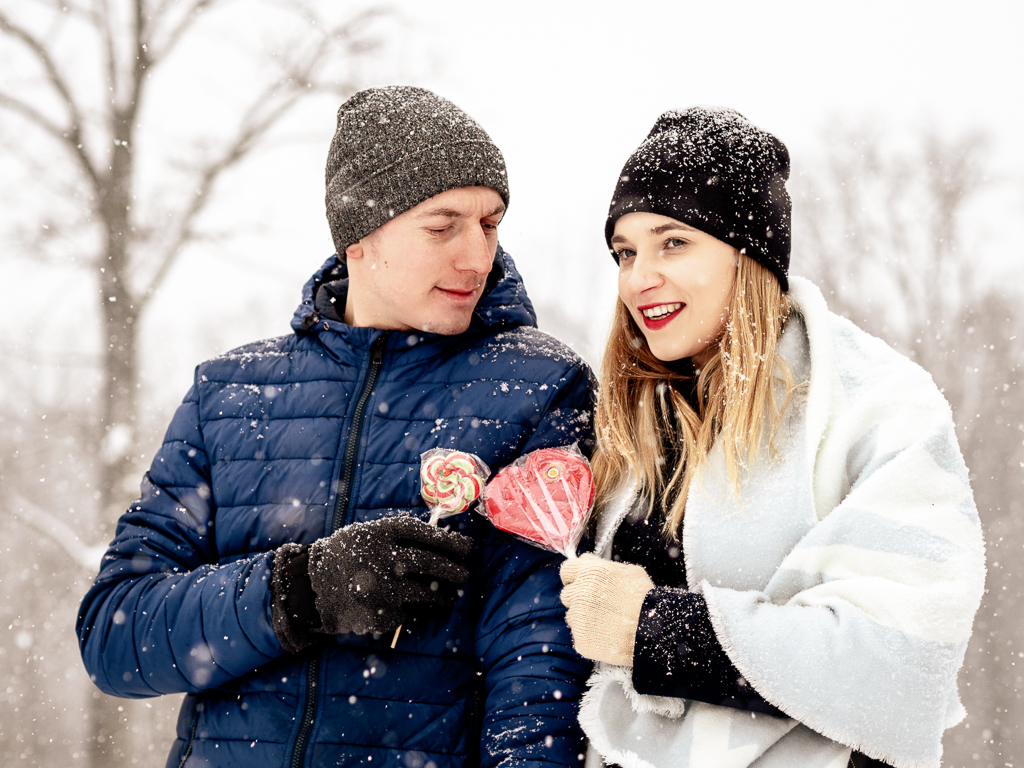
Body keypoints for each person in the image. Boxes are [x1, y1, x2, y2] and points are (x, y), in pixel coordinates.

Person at [77, 86, 596, 768]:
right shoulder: (231, 395)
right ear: (359, 234)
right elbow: (115, 638)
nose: (478, 257)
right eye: (443, 227)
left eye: (491, 223)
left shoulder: (537, 388)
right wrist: (302, 592)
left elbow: (537, 656)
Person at [558, 107, 985, 768]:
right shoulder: (628, 429)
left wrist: (655, 632)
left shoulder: (876, 405)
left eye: (673, 242)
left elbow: (906, 660)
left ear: (746, 251)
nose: (640, 277)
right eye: (626, 252)